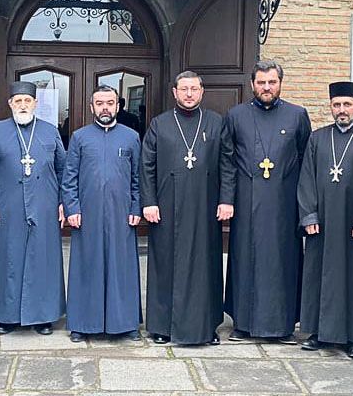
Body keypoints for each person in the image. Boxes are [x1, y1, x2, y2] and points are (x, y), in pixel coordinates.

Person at [221, 60, 311, 343]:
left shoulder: (297, 115)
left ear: (280, 83)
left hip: (284, 205)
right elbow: (227, 160)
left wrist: (306, 208)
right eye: (261, 82)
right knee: (244, 260)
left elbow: (307, 160)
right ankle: (243, 324)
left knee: (282, 263)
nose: (267, 87)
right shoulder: (236, 115)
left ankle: (283, 326)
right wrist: (228, 199)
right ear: (252, 85)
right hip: (246, 203)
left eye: (272, 82)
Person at [297, 81, 353, 360]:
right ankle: (316, 332)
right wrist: (309, 214)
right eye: (337, 105)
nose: (341, 110)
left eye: (347, 104)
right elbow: (306, 178)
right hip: (322, 223)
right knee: (319, 276)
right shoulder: (318, 138)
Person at [141, 71, 226, 346]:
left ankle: (207, 326)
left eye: (194, 89)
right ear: (174, 92)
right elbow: (147, 166)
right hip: (165, 207)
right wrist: (149, 202)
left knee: (205, 266)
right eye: (184, 89)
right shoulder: (159, 124)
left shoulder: (215, 122)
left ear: (202, 92)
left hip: (205, 207)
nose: (189, 94)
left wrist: (227, 200)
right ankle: (162, 326)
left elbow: (228, 164)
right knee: (166, 266)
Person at [0, 81, 67, 335]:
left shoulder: (50, 131)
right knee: (8, 258)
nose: (22, 105)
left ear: (35, 104)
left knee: (43, 260)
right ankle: (6, 316)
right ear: (10, 104)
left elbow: (63, 169)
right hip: (8, 204)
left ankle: (43, 316)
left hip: (45, 204)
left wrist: (64, 202)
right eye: (17, 101)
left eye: (27, 101)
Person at [62, 85, 142, 342]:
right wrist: (72, 208)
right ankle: (82, 323)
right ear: (91, 107)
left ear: (118, 106)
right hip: (88, 214)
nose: (105, 107)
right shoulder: (79, 137)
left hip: (121, 214)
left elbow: (137, 178)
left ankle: (126, 323)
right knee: (87, 266)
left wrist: (136, 207)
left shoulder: (131, 137)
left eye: (109, 102)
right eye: (99, 103)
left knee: (122, 268)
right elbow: (69, 177)